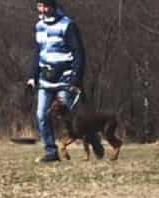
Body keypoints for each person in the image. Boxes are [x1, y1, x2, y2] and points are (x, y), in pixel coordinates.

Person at [27, 0, 103, 163]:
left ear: (54, 7)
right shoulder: (39, 26)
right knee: (41, 114)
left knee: (73, 119)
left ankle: (95, 142)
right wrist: (33, 77)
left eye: (46, 6)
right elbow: (38, 52)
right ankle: (51, 151)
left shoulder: (67, 25)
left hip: (66, 78)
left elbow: (78, 52)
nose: (43, 9)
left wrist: (76, 78)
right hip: (46, 79)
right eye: (40, 5)